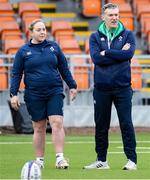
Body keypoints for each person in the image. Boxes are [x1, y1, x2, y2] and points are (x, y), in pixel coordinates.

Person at [10, 19, 77, 169]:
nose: (42, 32)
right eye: (39, 30)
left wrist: (72, 86)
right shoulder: (23, 51)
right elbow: (16, 74)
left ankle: (60, 158)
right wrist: (13, 94)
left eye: (44, 29)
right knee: (39, 127)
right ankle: (39, 160)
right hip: (34, 94)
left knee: (57, 122)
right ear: (31, 32)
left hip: (54, 91)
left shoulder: (54, 47)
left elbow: (64, 68)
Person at [84, 3, 137, 170]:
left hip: (123, 88)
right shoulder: (94, 37)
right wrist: (118, 54)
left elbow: (128, 54)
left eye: (116, 14)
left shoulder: (128, 35)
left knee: (126, 123)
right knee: (101, 125)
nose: (114, 17)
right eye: (111, 15)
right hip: (101, 89)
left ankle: (131, 161)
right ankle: (102, 161)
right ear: (103, 17)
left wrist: (106, 52)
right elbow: (96, 59)